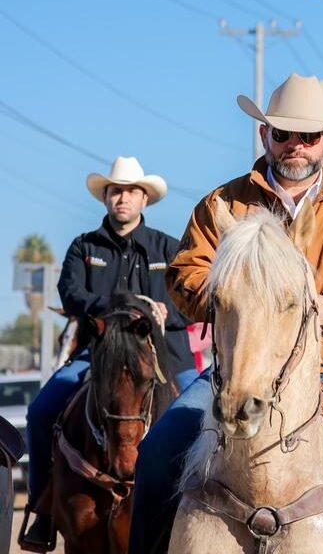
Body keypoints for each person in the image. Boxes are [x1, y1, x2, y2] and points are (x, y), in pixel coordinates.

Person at [128, 74, 323, 553]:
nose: (296, 145)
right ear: (264, 134)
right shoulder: (223, 204)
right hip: (239, 365)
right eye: (284, 134)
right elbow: (186, 272)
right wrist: (238, 296)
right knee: (154, 454)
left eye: (308, 136)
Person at [19, 156, 196, 552]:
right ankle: (42, 509)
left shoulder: (169, 249)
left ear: (145, 199)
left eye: (131, 192)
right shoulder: (84, 247)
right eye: (116, 191)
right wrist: (121, 306)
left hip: (164, 358)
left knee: (200, 418)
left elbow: (192, 300)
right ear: (106, 198)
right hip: (96, 355)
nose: (123, 198)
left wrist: (164, 312)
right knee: (41, 412)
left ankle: (199, 512)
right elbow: (71, 293)